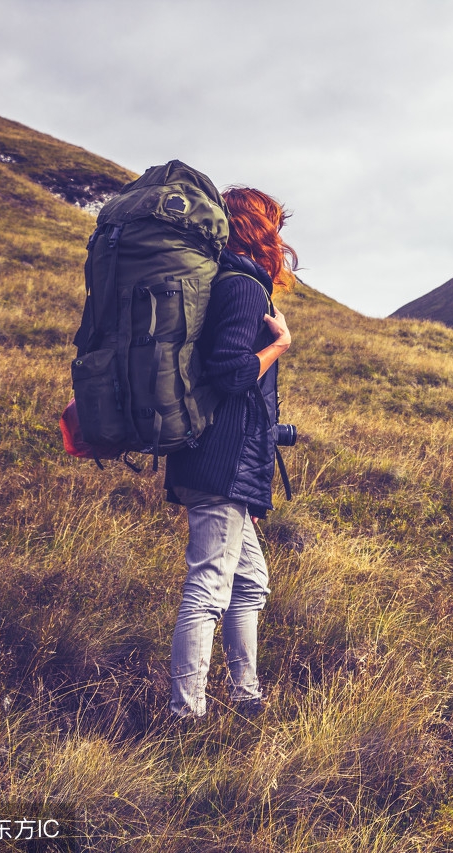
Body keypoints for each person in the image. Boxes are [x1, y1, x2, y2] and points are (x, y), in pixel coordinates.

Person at [165, 187, 297, 719]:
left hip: (218, 461)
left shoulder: (229, 281)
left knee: (251, 583)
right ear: (258, 230)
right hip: (221, 461)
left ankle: (247, 697)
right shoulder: (241, 286)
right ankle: (185, 716)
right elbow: (231, 369)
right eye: (275, 225)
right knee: (210, 587)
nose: (282, 240)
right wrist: (279, 346)